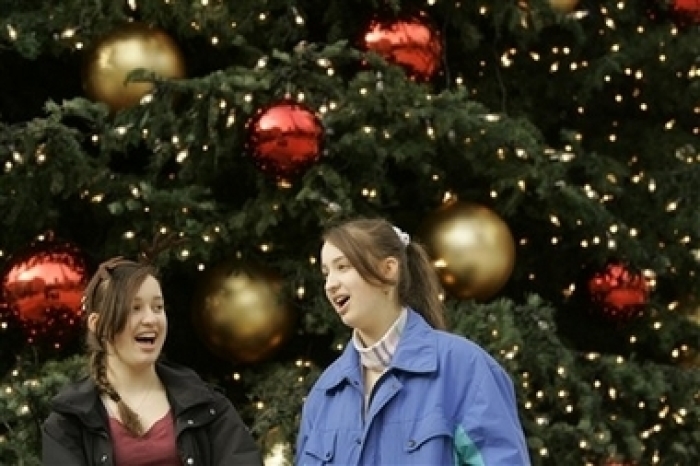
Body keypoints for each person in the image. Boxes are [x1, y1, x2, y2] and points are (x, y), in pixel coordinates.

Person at [296, 218, 531, 465]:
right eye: (326, 273)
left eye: (342, 267)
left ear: (388, 270)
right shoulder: (324, 394)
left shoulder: (463, 367)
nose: (330, 284)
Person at [42, 256, 263, 466]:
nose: (151, 319)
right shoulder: (69, 422)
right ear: (98, 324)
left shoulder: (207, 407)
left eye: (157, 307)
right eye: (134, 308)